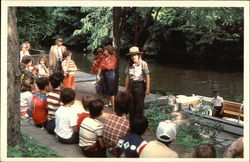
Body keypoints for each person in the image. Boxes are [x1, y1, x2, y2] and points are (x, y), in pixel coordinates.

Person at [124, 46, 150, 120]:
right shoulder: (129, 64)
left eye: (135, 55)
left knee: (139, 106)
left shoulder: (143, 64)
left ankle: (139, 123)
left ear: (138, 55)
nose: (133, 57)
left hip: (140, 86)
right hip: (131, 86)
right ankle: (131, 122)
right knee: (131, 105)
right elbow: (127, 77)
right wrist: (125, 89)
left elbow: (147, 76)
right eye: (132, 55)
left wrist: (147, 88)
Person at [103, 92, 132, 157]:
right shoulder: (128, 124)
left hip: (108, 151)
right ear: (129, 107)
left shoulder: (109, 117)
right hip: (118, 155)